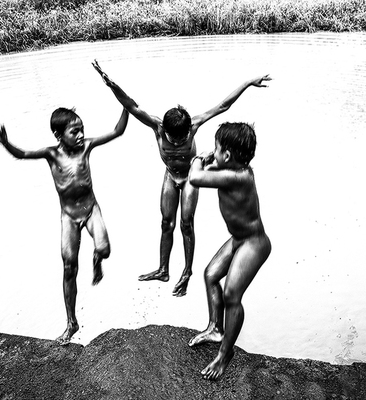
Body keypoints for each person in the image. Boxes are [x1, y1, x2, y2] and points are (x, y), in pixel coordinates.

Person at [92, 59, 271, 297]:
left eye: (182, 139)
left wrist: (247, 83)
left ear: (189, 130)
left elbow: (222, 106)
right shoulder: (156, 126)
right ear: (164, 130)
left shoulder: (194, 125)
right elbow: (131, 105)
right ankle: (163, 269)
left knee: (186, 224)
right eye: (172, 139)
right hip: (170, 176)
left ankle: (187, 272)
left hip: (189, 177)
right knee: (166, 223)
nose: (177, 143)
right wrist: (110, 84)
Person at [0, 106, 129, 345]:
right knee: (69, 266)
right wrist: (5, 142)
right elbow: (22, 154)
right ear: (58, 135)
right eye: (74, 132)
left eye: (82, 129)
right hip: (68, 216)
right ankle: (71, 322)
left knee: (104, 249)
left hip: (90, 209)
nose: (81, 135)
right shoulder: (51, 154)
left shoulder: (87, 147)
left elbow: (117, 131)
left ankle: (97, 260)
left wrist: (126, 105)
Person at [187, 122, 272, 380]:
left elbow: (196, 177)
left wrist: (198, 159)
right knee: (211, 274)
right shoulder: (232, 169)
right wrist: (210, 161)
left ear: (227, 154)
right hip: (238, 239)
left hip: (254, 243)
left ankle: (225, 354)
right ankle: (216, 328)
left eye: (216, 148)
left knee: (232, 295)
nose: (213, 152)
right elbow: (210, 172)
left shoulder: (239, 176)